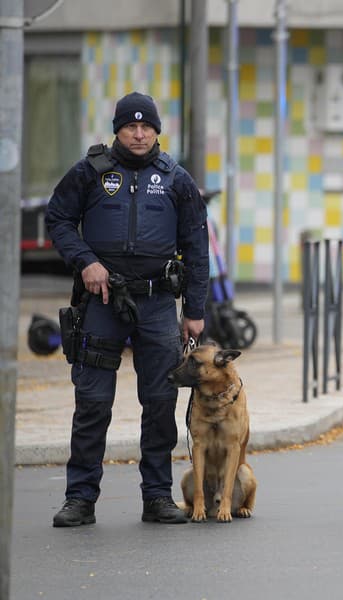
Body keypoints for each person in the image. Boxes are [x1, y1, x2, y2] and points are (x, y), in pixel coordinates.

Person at [45, 92, 209, 527]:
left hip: (157, 304)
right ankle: (80, 498)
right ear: (117, 129)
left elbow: (196, 246)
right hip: (101, 302)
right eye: (130, 126)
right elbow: (58, 219)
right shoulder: (90, 172)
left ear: (157, 131)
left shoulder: (176, 179)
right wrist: (86, 262)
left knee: (159, 403)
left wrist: (194, 309)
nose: (139, 134)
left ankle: (157, 497)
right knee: (93, 402)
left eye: (146, 127)